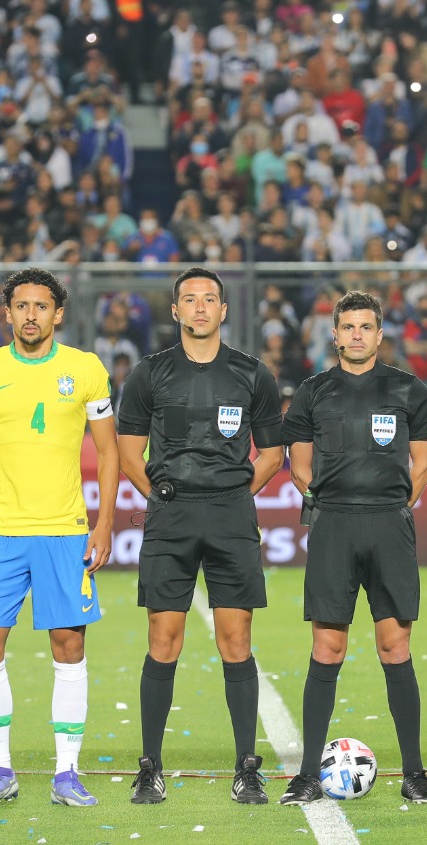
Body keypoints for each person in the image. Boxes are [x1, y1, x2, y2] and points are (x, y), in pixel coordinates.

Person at [0, 267, 119, 809]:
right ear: (7, 313)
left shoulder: (85, 369)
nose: (30, 315)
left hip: (65, 532)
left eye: (40, 306)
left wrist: (105, 521)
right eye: (20, 306)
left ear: (58, 313)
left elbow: (110, 452)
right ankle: (0, 767)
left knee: (69, 648)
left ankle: (66, 772)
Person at [116, 267, 284, 805]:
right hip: (172, 519)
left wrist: (235, 494)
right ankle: (150, 767)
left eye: (210, 299)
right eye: (190, 299)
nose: (200, 308)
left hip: (231, 519)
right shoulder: (149, 374)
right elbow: (127, 451)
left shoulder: (253, 374)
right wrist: (161, 495)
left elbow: (274, 453)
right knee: (163, 640)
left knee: (236, 641)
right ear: (175, 311)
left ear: (223, 310)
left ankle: (247, 768)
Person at [276, 290, 427, 806]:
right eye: (348, 327)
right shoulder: (312, 392)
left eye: (365, 327)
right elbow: (299, 463)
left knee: (395, 647)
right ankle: (307, 775)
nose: (356, 335)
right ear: (335, 333)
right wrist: (329, 501)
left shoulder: (408, 390)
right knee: (327, 648)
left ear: (379, 333)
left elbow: (423, 465)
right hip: (333, 528)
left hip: (388, 527)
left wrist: (391, 505)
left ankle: (414, 773)